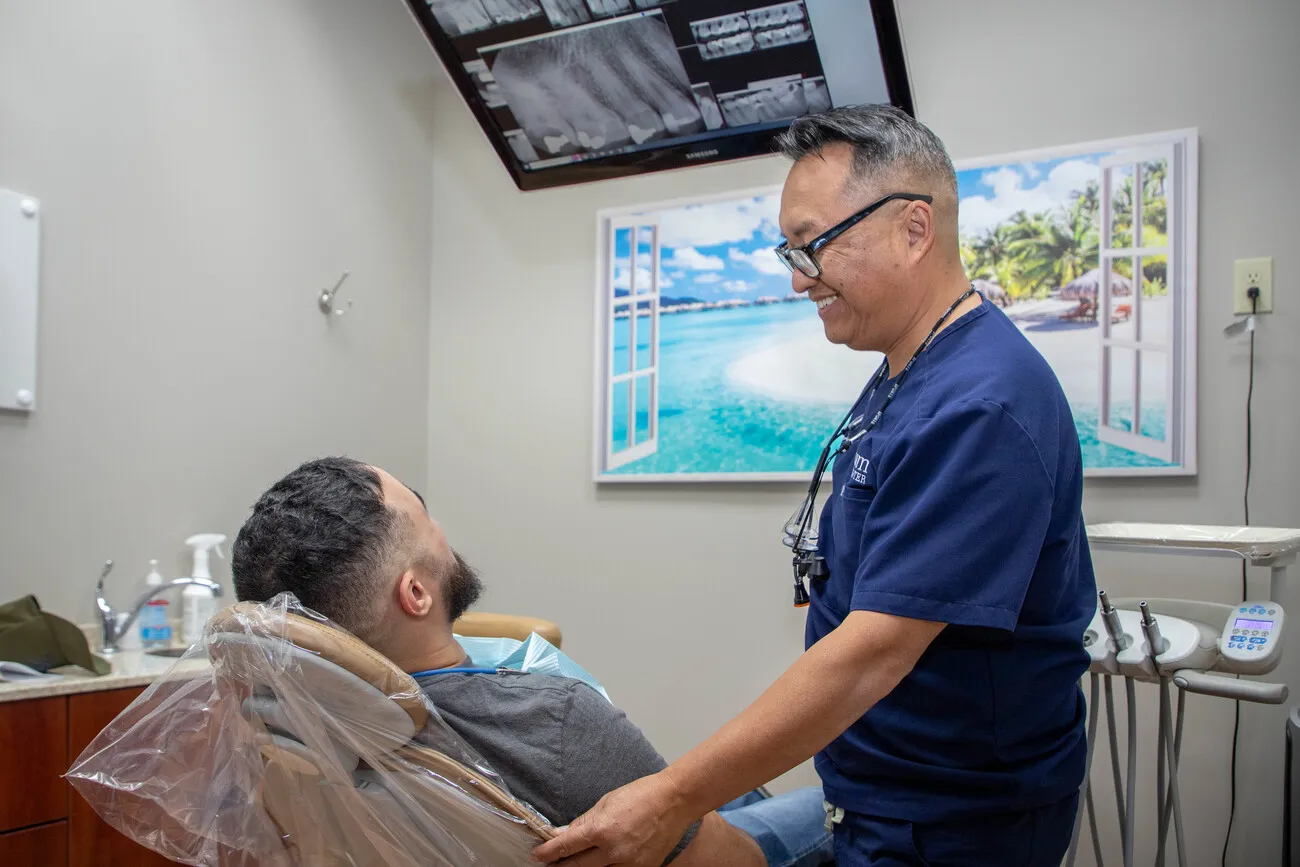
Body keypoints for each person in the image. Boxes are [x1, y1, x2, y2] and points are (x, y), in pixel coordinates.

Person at [532, 104, 1097, 867]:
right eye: (789, 252)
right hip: (873, 794)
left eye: (814, 246)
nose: (800, 279)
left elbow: (873, 653)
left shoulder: (980, 403)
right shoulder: (910, 367)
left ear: (914, 229)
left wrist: (671, 796)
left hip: (949, 822)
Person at [230, 456, 834, 867]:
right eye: (425, 515)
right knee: (830, 806)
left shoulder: (283, 722)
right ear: (415, 594)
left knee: (739, 792)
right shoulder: (556, 722)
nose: (442, 529)